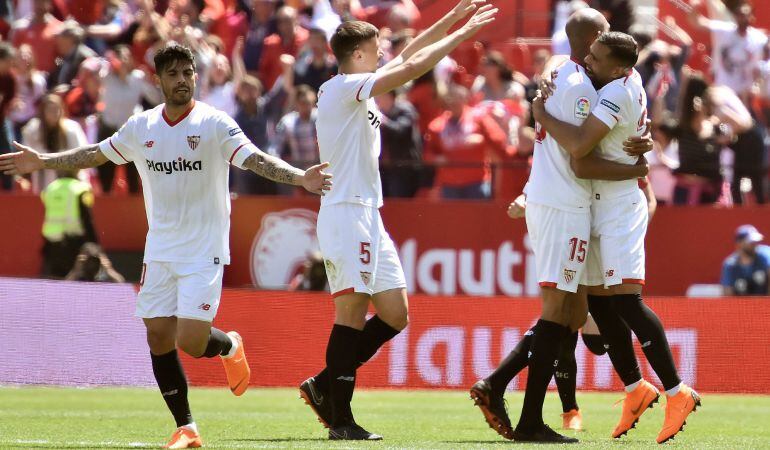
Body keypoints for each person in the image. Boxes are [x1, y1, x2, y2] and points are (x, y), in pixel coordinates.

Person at [0, 43, 331, 449]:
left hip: (203, 247)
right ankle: (186, 427)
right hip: (160, 248)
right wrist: (44, 162)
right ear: (157, 81)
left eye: (187, 73)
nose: (181, 80)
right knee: (157, 334)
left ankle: (228, 344)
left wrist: (300, 178)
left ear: (195, 75)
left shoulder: (215, 123)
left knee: (191, 341)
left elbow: (257, 160)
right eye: (172, 74)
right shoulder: (142, 127)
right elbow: (95, 155)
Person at [299, 0, 498, 441]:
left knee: (394, 313)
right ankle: (340, 417)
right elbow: (410, 68)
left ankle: (324, 384)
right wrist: (462, 36)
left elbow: (409, 57)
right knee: (350, 312)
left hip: (370, 213)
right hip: (347, 212)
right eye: (377, 47)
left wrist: (450, 18)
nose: (385, 51)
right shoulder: (342, 86)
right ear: (357, 55)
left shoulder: (357, 85)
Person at [470, 10, 650, 443]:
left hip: (563, 203)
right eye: (604, 35)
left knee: (571, 312)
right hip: (565, 205)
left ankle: (498, 384)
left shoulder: (563, 73)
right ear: (594, 39)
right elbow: (579, 151)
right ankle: (529, 418)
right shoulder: (579, 87)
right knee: (558, 311)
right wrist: (637, 167)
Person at [533, 31, 701, 445]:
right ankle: (634, 389)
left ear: (620, 68)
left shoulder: (616, 95)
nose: (587, 61)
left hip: (619, 205)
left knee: (626, 299)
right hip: (598, 206)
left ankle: (678, 392)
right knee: (599, 302)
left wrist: (539, 111)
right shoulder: (621, 79)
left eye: (596, 57)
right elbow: (563, 59)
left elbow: (579, 154)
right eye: (588, 53)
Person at [22, 94, 89, 193]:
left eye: (57, 109)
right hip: (43, 183)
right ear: (43, 111)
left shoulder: (72, 129)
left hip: (70, 183)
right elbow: (26, 155)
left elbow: (83, 155)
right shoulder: (33, 130)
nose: (54, 113)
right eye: (50, 110)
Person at [39, 169, 97, 278]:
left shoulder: (50, 188)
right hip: (73, 240)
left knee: (53, 277)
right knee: (74, 279)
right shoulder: (80, 189)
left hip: (51, 239)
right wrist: (94, 241)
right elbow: (86, 218)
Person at [721, 225, 770, 295]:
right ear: (739, 243)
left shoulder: (766, 255)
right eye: (750, 242)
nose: (754, 245)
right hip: (742, 304)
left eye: (755, 242)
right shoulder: (730, 265)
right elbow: (728, 293)